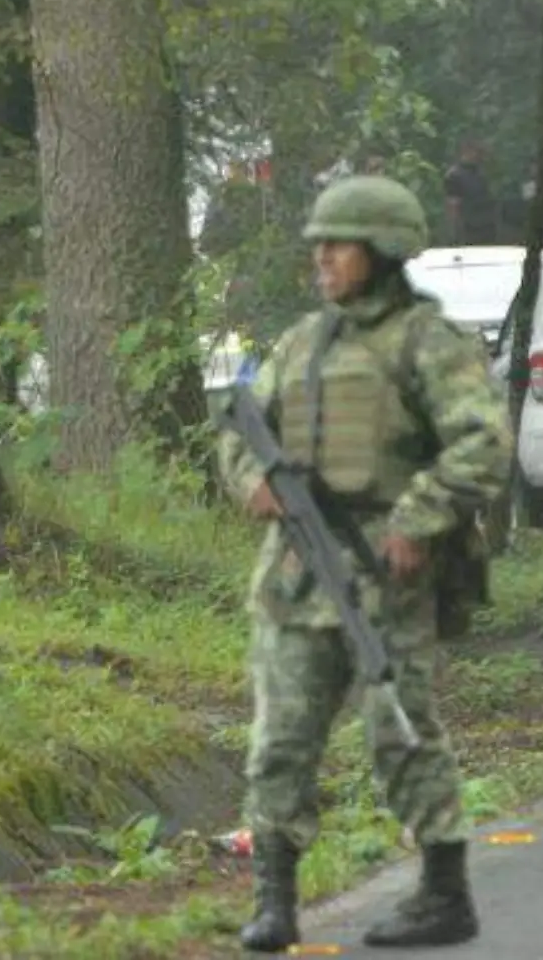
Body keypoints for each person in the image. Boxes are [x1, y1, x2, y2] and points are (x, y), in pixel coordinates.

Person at [216, 174, 512, 952]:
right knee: (279, 736)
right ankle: (275, 900)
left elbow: (483, 442)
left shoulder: (428, 342)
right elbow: (237, 432)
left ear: (382, 252)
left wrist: (419, 519)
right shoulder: (301, 343)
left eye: (337, 245)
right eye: (316, 245)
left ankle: (445, 893)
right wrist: (253, 484)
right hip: (293, 571)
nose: (322, 259)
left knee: (400, 729)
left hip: (388, 569)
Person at [443, 138, 499, 245]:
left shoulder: (480, 173)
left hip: (486, 226)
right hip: (469, 229)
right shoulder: (455, 175)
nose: (479, 156)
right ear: (466, 151)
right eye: (477, 152)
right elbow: (453, 205)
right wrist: (455, 232)